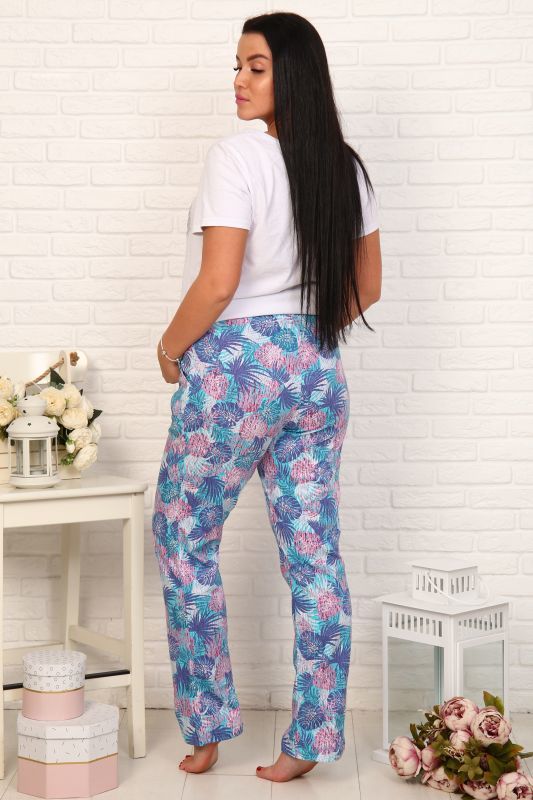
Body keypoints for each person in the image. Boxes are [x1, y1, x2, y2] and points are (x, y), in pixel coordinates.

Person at [152, 10, 382, 784]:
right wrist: (301, 338)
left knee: (182, 536)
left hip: (235, 370)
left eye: (256, 66)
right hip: (317, 367)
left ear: (294, 74)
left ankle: (207, 727)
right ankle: (311, 740)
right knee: (313, 556)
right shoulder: (344, 167)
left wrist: (169, 348)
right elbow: (367, 286)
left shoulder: (235, 156)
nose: (239, 80)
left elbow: (219, 282)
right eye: (237, 66)